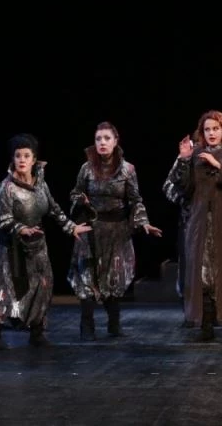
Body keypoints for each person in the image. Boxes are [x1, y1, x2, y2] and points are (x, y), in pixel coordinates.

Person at [0, 133, 92, 350]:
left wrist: (71, 227)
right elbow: (4, 219)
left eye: (26, 155)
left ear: (34, 159)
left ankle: (37, 332)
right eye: (18, 156)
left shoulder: (41, 184)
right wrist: (21, 229)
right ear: (13, 159)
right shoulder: (5, 188)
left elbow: (54, 209)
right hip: (10, 247)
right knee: (4, 289)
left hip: (37, 246)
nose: (22, 160)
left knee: (42, 286)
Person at [67, 122, 163, 341]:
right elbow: (74, 193)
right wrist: (81, 201)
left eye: (107, 138)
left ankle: (114, 323)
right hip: (91, 229)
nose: (102, 143)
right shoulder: (86, 168)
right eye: (98, 138)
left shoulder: (127, 170)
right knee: (87, 276)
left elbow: (135, 200)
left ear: (115, 141)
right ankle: (87, 325)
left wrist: (143, 222)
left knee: (115, 277)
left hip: (117, 231)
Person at [166, 110, 222, 343]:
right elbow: (182, 189)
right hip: (201, 224)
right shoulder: (195, 154)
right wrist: (184, 159)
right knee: (203, 276)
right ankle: (206, 325)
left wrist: (218, 164)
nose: (211, 133)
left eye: (216, 129)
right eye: (207, 129)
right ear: (201, 133)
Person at [162, 157, 193, 327]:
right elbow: (168, 186)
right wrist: (184, 199)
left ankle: (213, 312)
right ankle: (189, 312)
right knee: (187, 268)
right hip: (189, 223)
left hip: (212, 221)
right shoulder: (184, 159)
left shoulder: (218, 156)